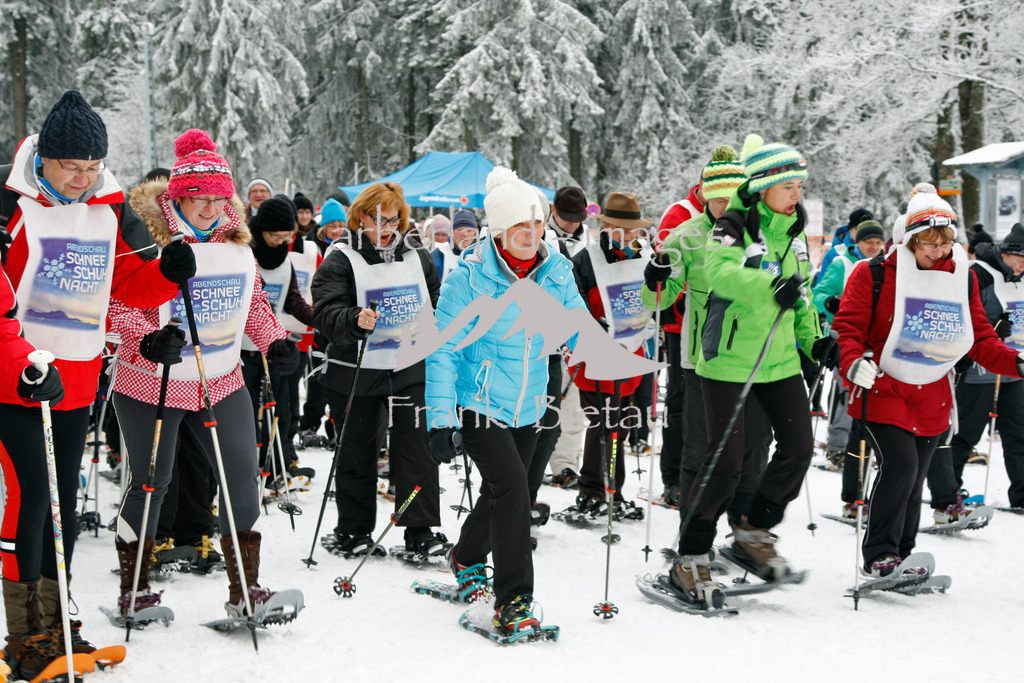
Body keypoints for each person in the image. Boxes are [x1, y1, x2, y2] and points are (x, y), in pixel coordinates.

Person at [0, 90, 193, 679]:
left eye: (92, 167)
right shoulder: (9, 205)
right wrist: (22, 363)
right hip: (17, 379)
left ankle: (57, 620)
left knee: (60, 502)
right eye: (70, 167)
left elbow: (127, 286)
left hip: (77, 378)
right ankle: (23, 633)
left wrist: (165, 274)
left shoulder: (109, 208)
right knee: (31, 497)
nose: (83, 180)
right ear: (44, 160)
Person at [109, 129, 301, 620]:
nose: (211, 208)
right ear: (179, 195)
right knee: (152, 482)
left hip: (221, 378)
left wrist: (274, 341)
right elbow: (115, 303)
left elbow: (252, 304)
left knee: (241, 475)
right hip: (151, 380)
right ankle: (134, 589)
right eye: (200, 198)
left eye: (219, 198)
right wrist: (146, 339)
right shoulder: (146, 238)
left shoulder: (236, 241)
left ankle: (246, 591)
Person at [671, 134, 833, 605]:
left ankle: (752, 530)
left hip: (778, 360)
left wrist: (816, 339)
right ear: (762, 188)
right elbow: (721, 274)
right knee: (726, 464)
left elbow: (800, 297)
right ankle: (690, 555)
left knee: (799, 448)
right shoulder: (732, 226)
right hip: (727, 359)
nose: (797, 195)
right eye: (789, 187)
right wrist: (769, 287)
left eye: (800, 186)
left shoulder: (793, 235)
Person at [425, 166, 587, 635]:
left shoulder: (555, 270)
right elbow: (442, 349)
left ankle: (466, 556)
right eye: (519, 225)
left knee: (506, 491)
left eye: (536, 223)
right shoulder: (469, 278)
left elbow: (575, 324)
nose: (531, 234)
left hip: (532, 403)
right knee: (513, 491)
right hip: (479, 404)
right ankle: (514, 600)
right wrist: (440, 420)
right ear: (498, 230)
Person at [832, 191, 1023, 577]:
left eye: (946, 243)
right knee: (900, 467)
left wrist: (1014, 362)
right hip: (883, 386)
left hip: (932, 393)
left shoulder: (960, 278)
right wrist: (852, 363)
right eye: (929, 244)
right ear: (909, 240)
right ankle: (880, 554)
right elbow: (848, 328)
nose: (939, 252)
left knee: (915, 475)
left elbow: (979, 337)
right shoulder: (874, 273)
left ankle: (902, 554)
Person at [311, 182, 446, 558]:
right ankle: (353, 530)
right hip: (356, 367)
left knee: (416, 448)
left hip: (409, 365)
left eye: (393, 220)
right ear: (360, 217)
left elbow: (435, 298)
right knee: (358, 450)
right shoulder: (341, 257)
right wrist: (354, 318)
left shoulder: (416, 254)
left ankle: (419, 529)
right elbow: (324, 311)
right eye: (378, 219)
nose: (386, 228)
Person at [643, 144, 771, 526]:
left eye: (730, 199)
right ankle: (694, 533)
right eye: (716, 200)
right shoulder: (686, 235)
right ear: (704, 197)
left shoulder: (762, 233)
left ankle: (743, 528)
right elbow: (660, 298)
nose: (723, 207)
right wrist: (655, 280)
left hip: (753, 357)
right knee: (700, 447)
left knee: (754, 447)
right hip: (702, 358)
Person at [567, 192, 653, 518]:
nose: (629, 235)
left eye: (633, 229)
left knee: (620, 424)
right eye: (621, 228)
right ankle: (594, 490)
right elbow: (572, 303)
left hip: (630, 354)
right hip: (594, 357)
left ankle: (610, 489)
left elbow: (654, 297)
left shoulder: (644, 256)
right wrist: (593, 325)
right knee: (605, 423)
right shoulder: (586, 260)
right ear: (605, 226)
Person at [929, 223, 1024, 514]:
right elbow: (961, 316)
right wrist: (993, 328)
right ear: (1004, 253)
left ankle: (1021, 495)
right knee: (965, 435)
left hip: (1016, 369)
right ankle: (949, 496)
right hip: (979, 371)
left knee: (1019, 434)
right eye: (1019, 258)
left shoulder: (1020, 277)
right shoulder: (978, 274)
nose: (1022, 266)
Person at [239, 194, 315, 484]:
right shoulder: (244, 254)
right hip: (241, 351)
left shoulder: (286, 259)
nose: (281, 242)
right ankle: (247, 473)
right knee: (247, 414)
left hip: (273, 349)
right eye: (275, 236)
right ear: (261, 230)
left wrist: (321, 319)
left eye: (287, 236)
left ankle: (276, 468)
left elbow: (293, 300)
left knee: (280, 410)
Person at [811, 220, 886, 472]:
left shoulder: (886, 265)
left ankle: (867, 448)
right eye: (869, 242)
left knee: (873, 397)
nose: (874, 247)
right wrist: (830, 302)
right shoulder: (842, 263)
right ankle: (838, 447)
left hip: (875, 341)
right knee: (846, 394)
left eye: (878, 242)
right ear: (857, 241)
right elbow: (817, 294)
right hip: (847, 337)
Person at [543, 187, 591, 489]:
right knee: (543, 403)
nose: (572, 223)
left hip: (576, 333)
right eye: (566, 217)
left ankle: (566, 465)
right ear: (553, 210)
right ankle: (534, 461)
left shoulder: (590, 242)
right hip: (542, 334)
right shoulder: (539, 237)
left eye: (577, 217)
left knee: (572, 406)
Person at [431, 209, 479, 282]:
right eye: (460, 230)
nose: (465, 234)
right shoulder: (440, 253)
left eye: (469, 231)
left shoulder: (481, 255)